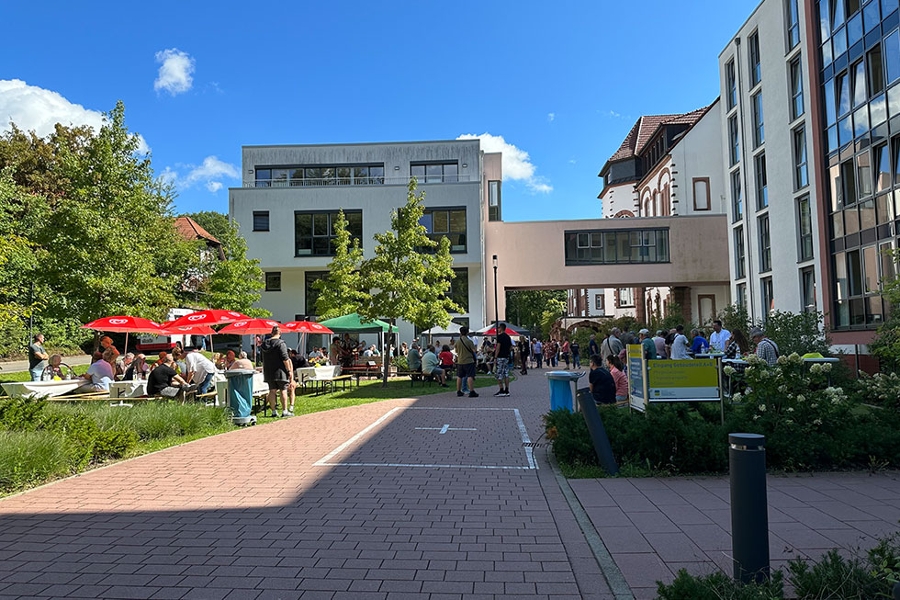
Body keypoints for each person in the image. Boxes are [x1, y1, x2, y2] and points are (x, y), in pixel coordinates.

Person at [261, 325, 295, 417]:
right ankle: (285, 411)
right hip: (280, 371)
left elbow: (261, 358)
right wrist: (289, 371)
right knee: (283, 390)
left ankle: (273, 412)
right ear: (280, 333)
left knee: (272, 391)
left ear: (271, 333)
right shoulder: (281, 343)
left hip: (269, 371)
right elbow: (285, 358)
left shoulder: (264, 345)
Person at [454, 326, 479, 398]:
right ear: (467, 332)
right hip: (468, 360)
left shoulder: (457, 341)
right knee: (470, 376)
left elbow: (456, 351)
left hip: (460, 361)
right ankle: (471, 391)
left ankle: (458, 391)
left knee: (459, 376)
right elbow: (474, 350)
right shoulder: (469, 341)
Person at [493, 323, 512, 397]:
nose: (498, 330)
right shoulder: (508, 337)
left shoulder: (500, 337)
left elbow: (498, 347)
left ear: (501, 328)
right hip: (506, 356)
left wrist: (495, 357)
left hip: (500, 357)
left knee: (499, 373)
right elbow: (510, 347)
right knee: (506, 373)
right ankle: (507, 389)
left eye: (498, 328)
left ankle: (501, 389)